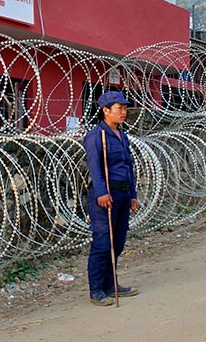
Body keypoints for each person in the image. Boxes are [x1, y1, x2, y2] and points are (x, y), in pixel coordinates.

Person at [83, 91, 139, 306]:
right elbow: (95, 166)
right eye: (119, 108)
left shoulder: (121, 135)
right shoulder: (98, 135)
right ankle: (96, 289)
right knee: (103, 242)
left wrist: (132, 194)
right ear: (106, 111)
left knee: (118, 242)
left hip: (123, 193)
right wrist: (101, 192)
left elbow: (128, 167)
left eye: (125, 108)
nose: (123, 112)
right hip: (106, 195)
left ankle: (110, 283)